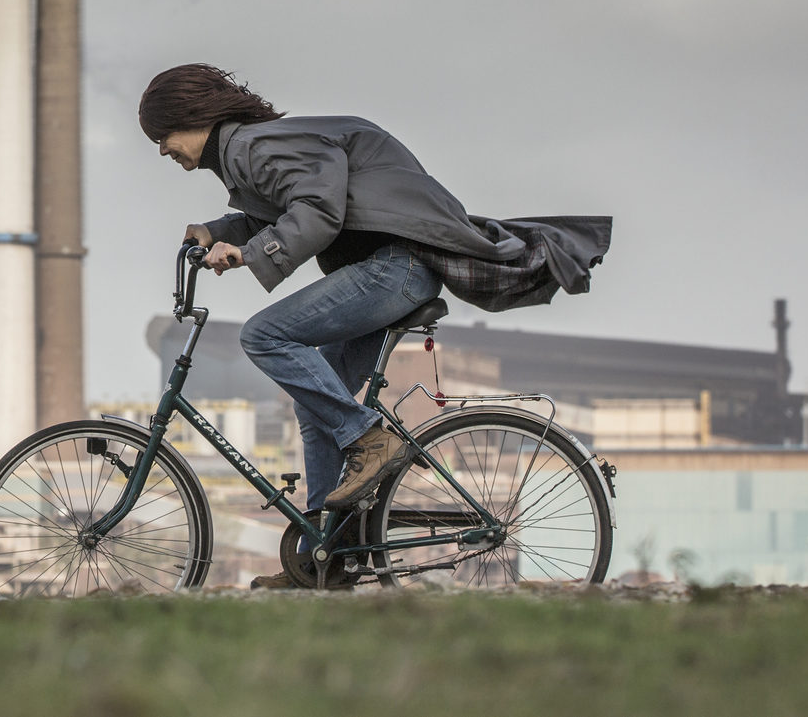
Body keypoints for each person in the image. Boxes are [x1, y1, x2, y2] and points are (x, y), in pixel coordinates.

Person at [138, 63, 611, 589]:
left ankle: (368, 439)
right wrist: (216, 230)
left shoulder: (254, 146)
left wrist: (249, 253)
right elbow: (287, 205)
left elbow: (317, 208)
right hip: (389, 269)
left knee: (264, 335)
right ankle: (325, 558)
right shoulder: (252, 152)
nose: (162, 150)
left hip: (394, 268)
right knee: (319, 401)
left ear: (195, 117)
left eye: (164, 136)